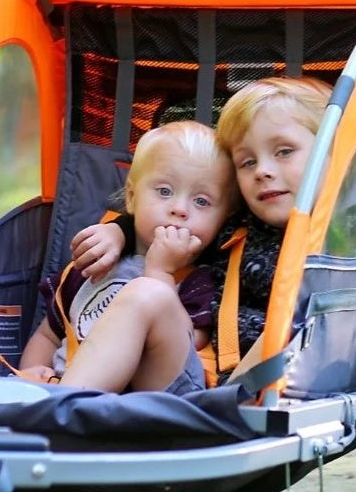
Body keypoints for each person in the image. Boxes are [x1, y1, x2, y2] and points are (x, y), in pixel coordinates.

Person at [74, 77, 332, 381]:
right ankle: (61, 407)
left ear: (336, 149)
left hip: (277, 384)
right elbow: (176, 225)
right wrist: (120, 231)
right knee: (146, 292)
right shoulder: (236, 228)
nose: (262, 171)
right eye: (247, 162)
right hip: (199, 384)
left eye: (284, 151)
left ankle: (59, 411)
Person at [18, 120, 238, 393]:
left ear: (222, 219)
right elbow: (48, 334)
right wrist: (30, 374)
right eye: (164, 191)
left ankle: (61, 404)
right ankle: (48, 402)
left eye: (201, 201)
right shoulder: (97, 260)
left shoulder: (204, 279)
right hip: (70, 386)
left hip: (158, 397)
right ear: (132, 197)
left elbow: (188, 342)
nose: (180, 209)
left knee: (149, 293)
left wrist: (161, 272)